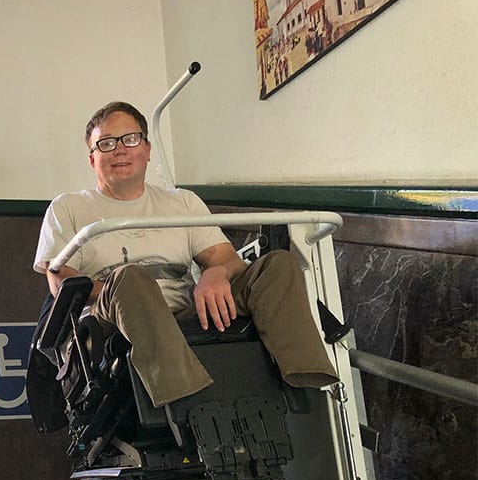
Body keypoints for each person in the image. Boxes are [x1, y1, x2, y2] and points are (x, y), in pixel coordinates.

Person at [32, 101, 338, 408]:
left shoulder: (182, 202)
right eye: (106, 143)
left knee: (277, 266)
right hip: (109, 317)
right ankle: (186, 403)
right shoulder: (68, 207)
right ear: (92, 158)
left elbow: (226, 258)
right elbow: (61, 282)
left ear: (148, 149)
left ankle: (306, 387)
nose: (120, 150)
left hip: (181, 312)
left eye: (130, 138)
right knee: (130, 278)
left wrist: (214, 273)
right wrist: (130, 295)